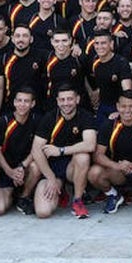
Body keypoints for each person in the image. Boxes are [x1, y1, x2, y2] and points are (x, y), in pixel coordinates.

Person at [31, 84, 97, 219]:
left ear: (77, 99)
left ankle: (78, 200)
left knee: (83, 157)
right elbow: (36, 150)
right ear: (57, 101)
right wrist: (50, 178)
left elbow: (90, 145)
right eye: (62, 100)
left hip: (72, 168)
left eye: (70, 99)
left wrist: (61, 150)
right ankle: (62, 190)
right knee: (43, 212)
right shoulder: (49, 118)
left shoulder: (85, 116)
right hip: (53, 169)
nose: (66, 103)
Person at [0, 85, 41, 216]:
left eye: (26, 101)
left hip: (25, 166)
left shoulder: (37, 120)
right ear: (14, 102)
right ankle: (12, 193)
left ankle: (23, 197)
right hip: (6, 169)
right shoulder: (4, 122)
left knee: (36, 166)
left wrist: (22, 167)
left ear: (33, 103)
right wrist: (10, 171)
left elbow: (37, 148)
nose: (22, 104)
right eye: (19, 100)